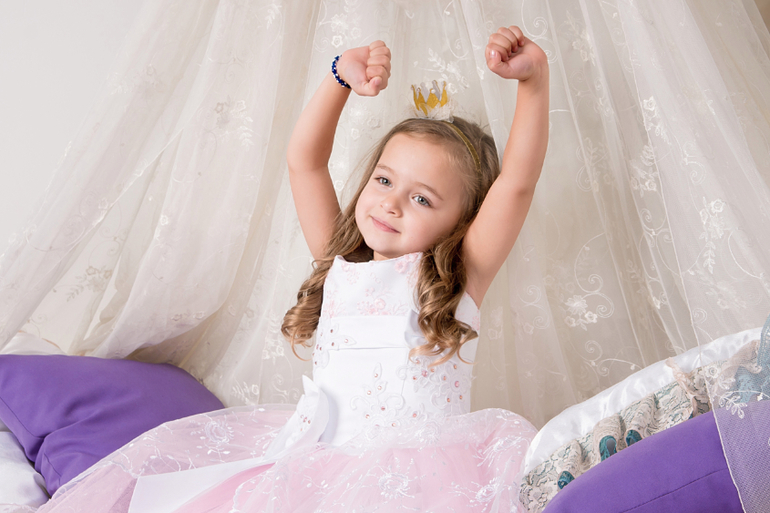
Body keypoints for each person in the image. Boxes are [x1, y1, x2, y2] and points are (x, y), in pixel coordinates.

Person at [39, 24, 549, 513]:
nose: (390, 204)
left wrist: (533, 79)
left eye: (421, 198)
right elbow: (305, 161)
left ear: (463, 221)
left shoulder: (459, 278)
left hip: (419, 485)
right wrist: (338, 77)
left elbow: (517, 184)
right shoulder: (340, 262)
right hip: (316, 472)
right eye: (384, 180)